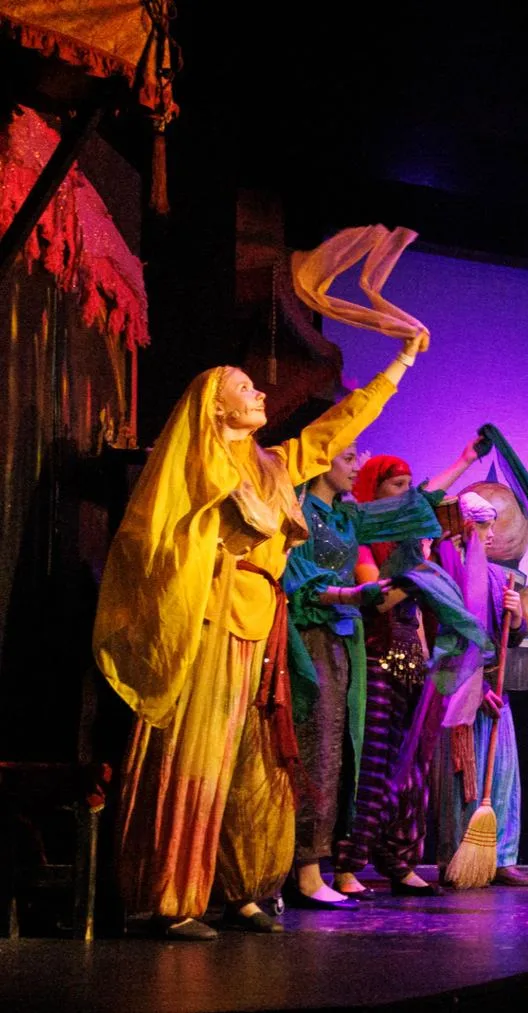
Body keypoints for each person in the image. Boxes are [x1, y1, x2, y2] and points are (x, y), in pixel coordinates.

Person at [93, 334, 426, 940]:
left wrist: (399, 364)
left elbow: (331, 432)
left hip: (262, 623)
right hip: (211, 616)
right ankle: (176, 896)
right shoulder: (194, 464)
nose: (260, 392)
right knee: (200, 755)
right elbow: (150, 540)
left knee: (257, 761)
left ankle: (243, 888)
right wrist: (210, 539)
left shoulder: (271, 464)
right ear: (215, 408)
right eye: (244, 388)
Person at [332, 446, 482, 897]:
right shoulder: (365, 539)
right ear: (375, 495)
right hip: (378, 663)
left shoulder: (411, 545)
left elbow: (429, 499)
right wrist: (415, 573)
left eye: (407, 488)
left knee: (413, 770)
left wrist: (465, 459)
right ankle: (347, 867)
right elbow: (375, 598)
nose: (407, 497)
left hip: (416, 667)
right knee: (374, 767)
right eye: (397, 488)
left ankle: (399, 860)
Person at [429, 491, 528, 889]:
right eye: (482, 527)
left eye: (491, 526)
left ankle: (502, 856)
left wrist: (518, 614)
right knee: (463, 778)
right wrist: (472, 690)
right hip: (458, 689)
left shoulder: (496, 576)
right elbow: (445, 641)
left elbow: (511, 638)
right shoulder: (443, 574)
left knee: (504, 775)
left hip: (495, 688)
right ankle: (457, 855)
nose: (490, 535)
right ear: (463, 527)